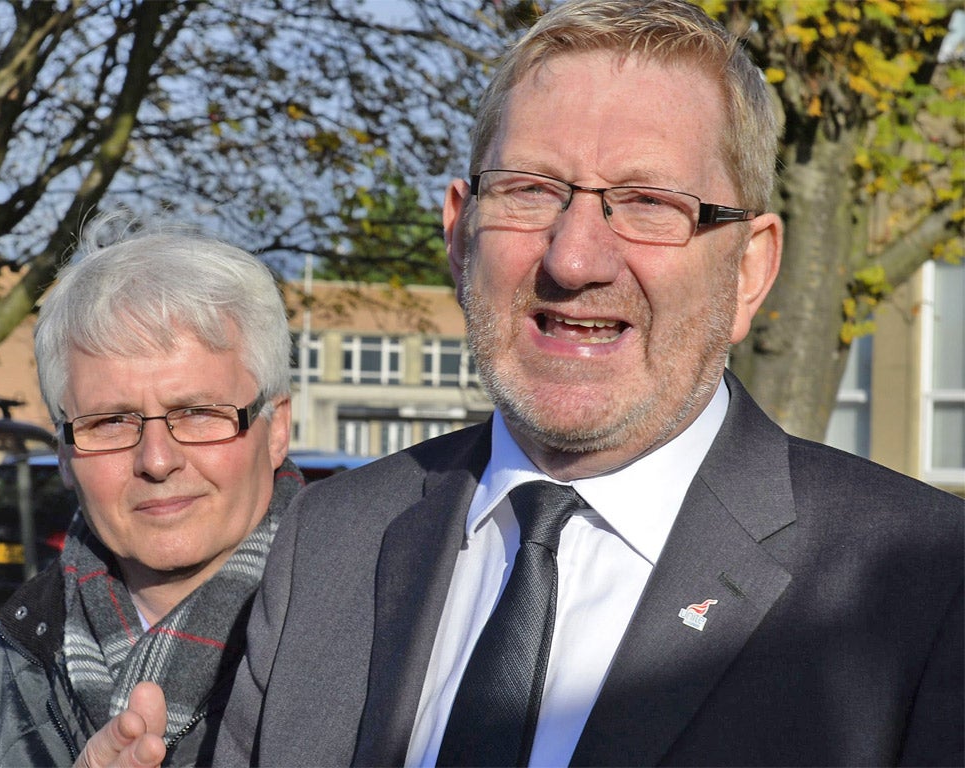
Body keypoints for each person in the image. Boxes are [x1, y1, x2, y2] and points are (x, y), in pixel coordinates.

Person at [97, 0, 964, 764]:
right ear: (459, 232)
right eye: (530, 190)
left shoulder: (920, 587)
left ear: (748, 269)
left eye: (648, 202)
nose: (574, 257)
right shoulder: (326, 545)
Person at [0, 218, 302, 767]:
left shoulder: (380, 632)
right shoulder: (3, 673)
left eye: (198, 413)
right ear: (65, 454)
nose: (157, 460)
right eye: (110, 422)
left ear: (276, 428)